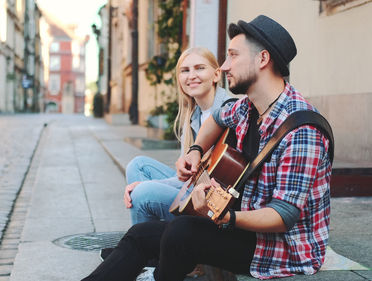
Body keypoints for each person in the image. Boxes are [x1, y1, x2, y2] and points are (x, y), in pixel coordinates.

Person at [83, 15, 332, 281]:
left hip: (280, 247)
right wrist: (195, 151)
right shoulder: (248, 108)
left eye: (233, 56)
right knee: (140, 235)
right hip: (244, 226)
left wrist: (225, 217)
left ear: (262, 59)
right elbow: (216, 118)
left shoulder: (302, 128)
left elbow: (282, 215)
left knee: (181, 233)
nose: (224, 66)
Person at [123, 47, 230, 225]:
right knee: (138, 165)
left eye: (200, 68)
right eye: (185, 71)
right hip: (193, 185)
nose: (192, 75)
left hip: (209, 201)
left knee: (141, 194)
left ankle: (142, 245)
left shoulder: (229, 111)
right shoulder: (192, 117)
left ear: (217, 75)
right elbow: (186, 178)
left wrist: (144, 187)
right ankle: (150, 238)